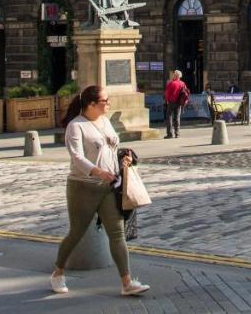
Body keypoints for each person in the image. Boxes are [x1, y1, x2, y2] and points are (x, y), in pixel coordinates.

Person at [51, 85, 149, 297]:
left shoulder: (104, 121)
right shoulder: (76, 127)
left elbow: (112, 147)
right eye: (105, 101)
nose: (109, 104)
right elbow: (77, 157)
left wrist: (124, 158)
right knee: (76, 233)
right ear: (91, 104)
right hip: (83, 187)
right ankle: (58, 272)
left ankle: (127, 282)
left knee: (117, 233)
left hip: (108, 186)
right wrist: (97, 172)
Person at [163, 70, 189, 140]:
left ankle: (169, 134)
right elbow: (186, 93)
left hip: (171, 102)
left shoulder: (171, 83)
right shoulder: (183, 84)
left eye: (174, 74)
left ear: (176, 76)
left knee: (169, 117)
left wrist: (167, 101)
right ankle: (177, 134)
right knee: (177, 118)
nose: (173, 75)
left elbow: (167, 93)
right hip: (179, 103)